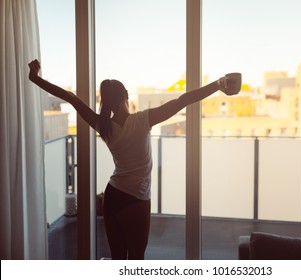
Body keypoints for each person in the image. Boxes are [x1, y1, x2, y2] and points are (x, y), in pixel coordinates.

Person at [28, 59, 240, 260]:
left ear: (106, 101)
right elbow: (182, 100)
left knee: (119, 260)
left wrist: (35, 78)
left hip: (112, 196)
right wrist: (218, 84)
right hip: (136, 199)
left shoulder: (104, 125)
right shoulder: (142, 120)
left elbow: (70, 97)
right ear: (126, 95)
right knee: (136, 260)